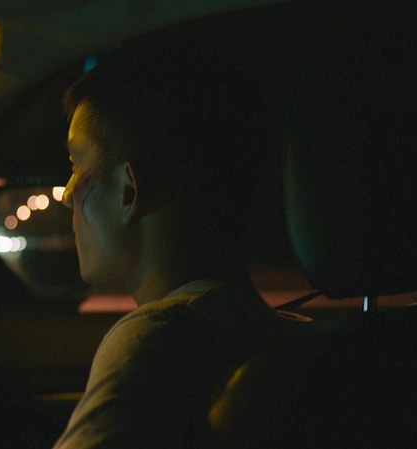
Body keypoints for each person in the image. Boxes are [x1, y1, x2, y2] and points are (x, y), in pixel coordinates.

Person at [53, 36, 282, 448]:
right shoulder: (277, 336)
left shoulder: (153, 341)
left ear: (128, 191)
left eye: (77, 164)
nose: (68, 194)